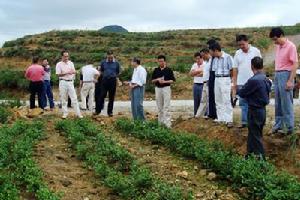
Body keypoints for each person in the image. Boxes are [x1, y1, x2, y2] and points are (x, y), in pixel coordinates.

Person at [238, 57, 272, 160]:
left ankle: (261, 159)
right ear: (262, 65)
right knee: (254, 132)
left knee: (255, 135)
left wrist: (238, 89)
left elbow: (242, 93)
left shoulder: (254, 80)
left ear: (252, 66)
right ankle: (249, 155)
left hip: (254, 110)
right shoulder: (266, 79)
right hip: (262, 110)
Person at [269, 27, 298, 135]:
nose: (275, 42)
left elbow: (295, 64)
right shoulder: (278, 47)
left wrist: (290, 80)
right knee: (278, 103)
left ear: (281, 35)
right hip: (277, 74)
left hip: (286, 74)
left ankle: (289, 127)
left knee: (286, 102)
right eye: (273, 40)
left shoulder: (291, 46)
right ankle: (278, 125)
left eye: (276, 39)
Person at [232, 35, 262, 128]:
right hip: (241, 82)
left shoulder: (255, 51)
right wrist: (235, 83)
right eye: (239, 45)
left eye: (243, 44)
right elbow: (235, 69)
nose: (241, 46)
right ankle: (245, 122)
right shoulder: (237, 53)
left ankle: (254, 122)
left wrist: (260, 78)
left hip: (254, 82)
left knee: (254, 103)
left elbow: (260, 66)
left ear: (247, 41)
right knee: (243, 102)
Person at [209, 42, 234, 128]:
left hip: (225, 78)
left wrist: (230, 81)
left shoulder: (228, 57)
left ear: (215, 50)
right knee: (218, 99)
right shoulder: (214, 59)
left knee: (226, 99)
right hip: (217, 78)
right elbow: (213, 70)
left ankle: (229, 119)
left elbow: (232, 70)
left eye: (211, 51)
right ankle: (221, 118)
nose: (210, 54)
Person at [56, 50, 82, 119]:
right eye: (65, 56)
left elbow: (73, 72)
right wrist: (67, 73)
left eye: (67, 56)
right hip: (63, 82)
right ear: (62, 56)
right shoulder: (59, 64)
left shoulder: (71, 63)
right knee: (63, 98)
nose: (66, 58)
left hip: (70, 82)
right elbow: (58, 74)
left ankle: (78, 114)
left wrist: (75, 73)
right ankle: (65, 113)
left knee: (74, 98)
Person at [151, 55, 176, 128]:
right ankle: (160, 123)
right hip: (158, 88)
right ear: (158, 61)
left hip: (166, 88)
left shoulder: (169, 70)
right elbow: (152, 80)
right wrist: (157, 79)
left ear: (165, 61)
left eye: (162, 61)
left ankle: (167, 124)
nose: (160, 62)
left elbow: (172, 80)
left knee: (166, 106)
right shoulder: (156, 70)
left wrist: (165, 81)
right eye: (159, 61)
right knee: (159, 106)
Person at [95, 51, 121, 117]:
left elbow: (118, 72)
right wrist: (98, 78)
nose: (110, 59)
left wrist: (116, 78)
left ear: (113, 56)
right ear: (107, 56)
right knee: (101, 95)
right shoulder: (103, 62)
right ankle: (98, 111)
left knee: (111, 97)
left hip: (112, 81)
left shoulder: (116, 63)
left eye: (111, 57)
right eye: (109, 57)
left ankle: (110, 112)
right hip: (104, 81)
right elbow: (101, 70)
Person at [196, 48, 211, 118]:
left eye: (202, 56)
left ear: (206, 53)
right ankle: (198, 115)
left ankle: (209, 114)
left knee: (209, 100)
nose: (202, 57)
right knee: (203, 100)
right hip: (204, 83)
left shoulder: (211, 61)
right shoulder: (207, 62)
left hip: (209, 82)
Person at [190, 52, 205, 117]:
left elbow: (203, 74)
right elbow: (191, 74)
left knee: (203, 101)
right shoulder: (194, 65)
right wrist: (199, 71)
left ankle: (203, 115)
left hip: (203, 84)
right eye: (196, 59)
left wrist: (195, 72)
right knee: (196, 101)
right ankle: (196, 114)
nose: (197, 60)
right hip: (196, 84)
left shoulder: (205, 64)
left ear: (202, 58)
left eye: (199, 59)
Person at [206, 39, 218, 119]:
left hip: (216, 76)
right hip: (211, 76)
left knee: (216, 96)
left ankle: (216, 114)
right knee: (211, 95)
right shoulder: (211, 58)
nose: (209, 51)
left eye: (209, 48)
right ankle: (212, 113)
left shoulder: (218, 57)